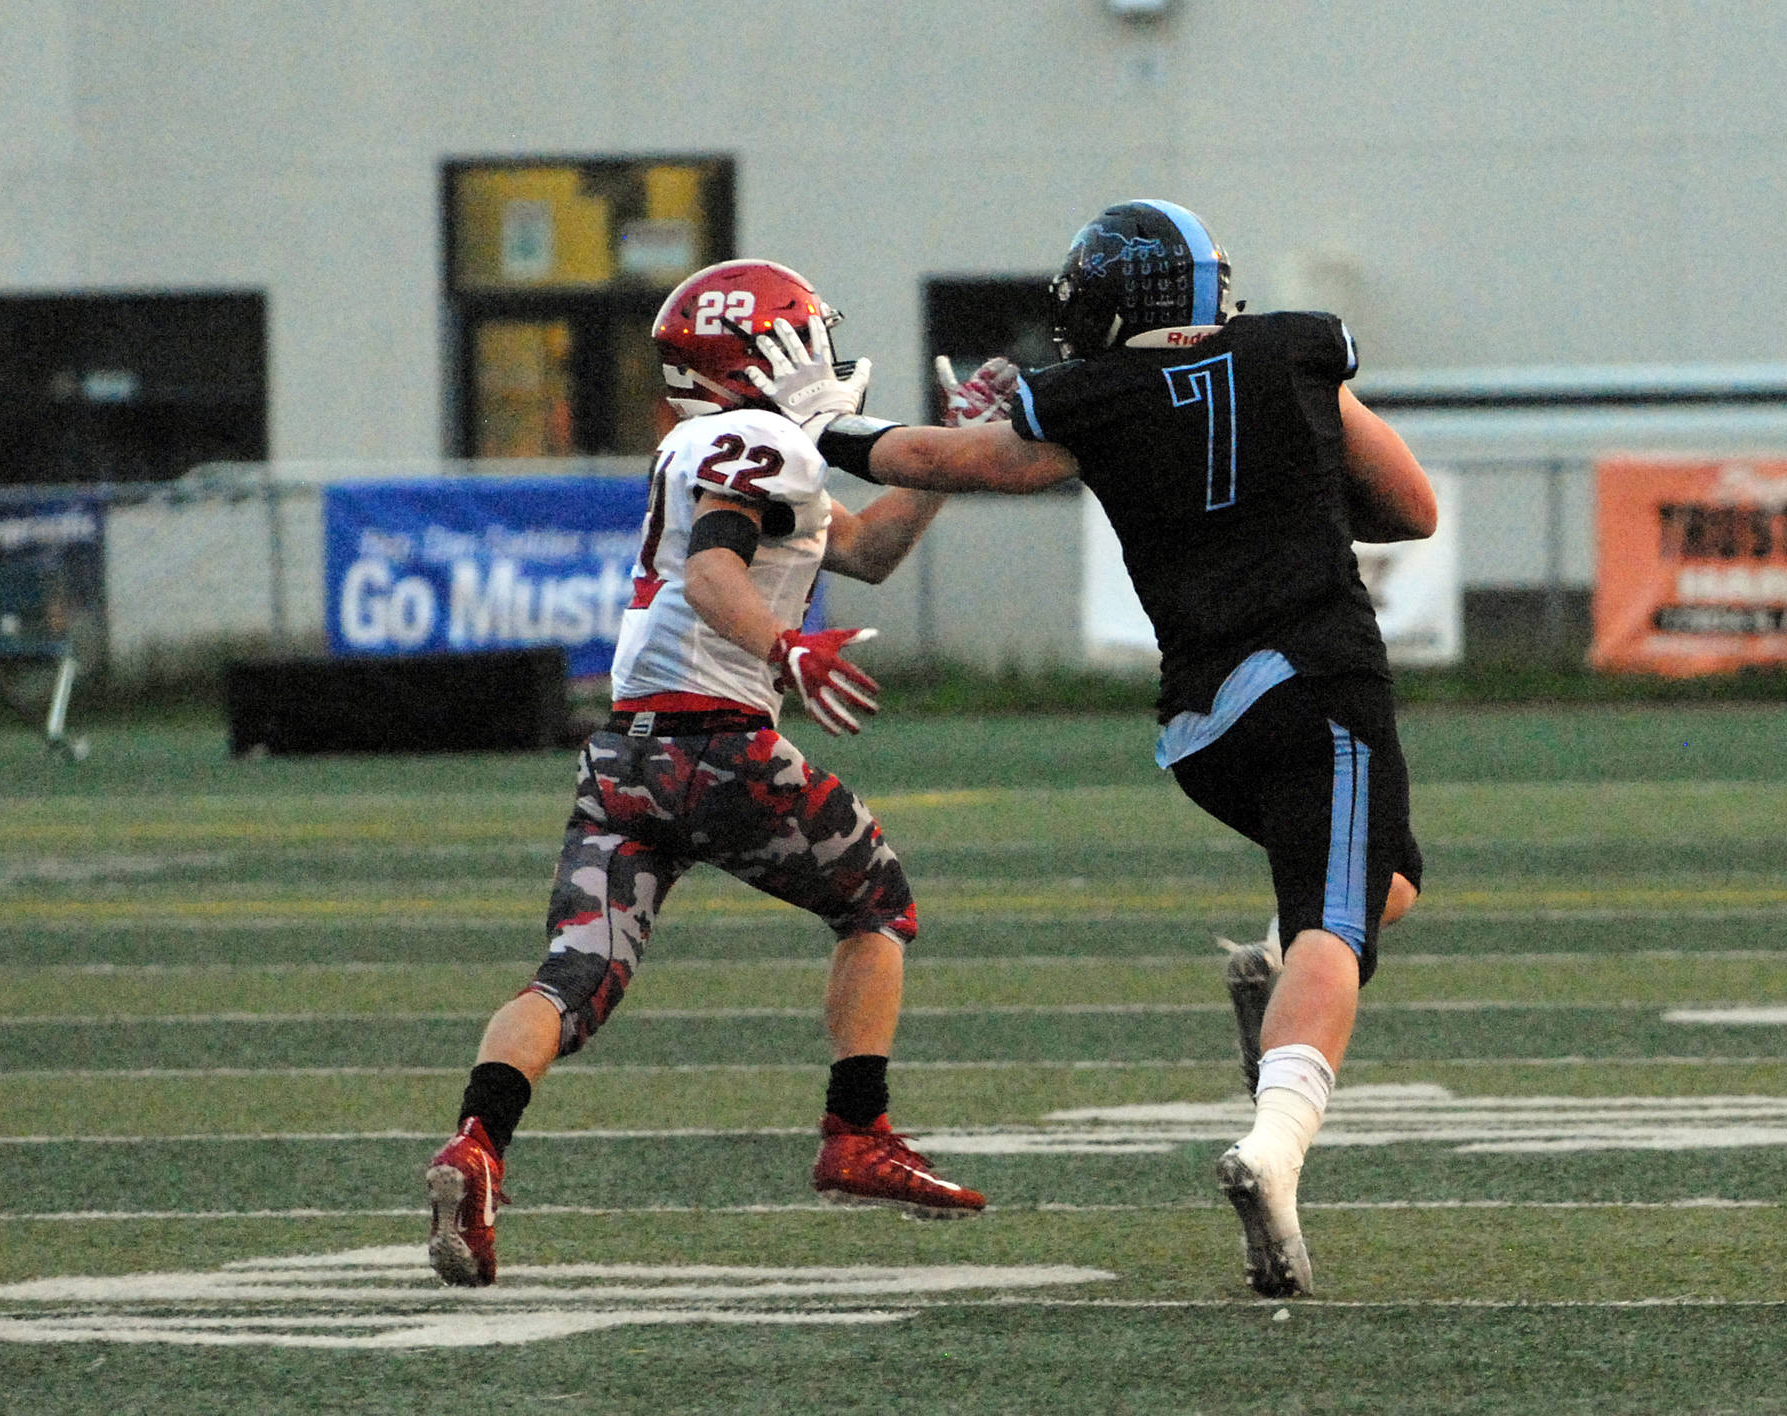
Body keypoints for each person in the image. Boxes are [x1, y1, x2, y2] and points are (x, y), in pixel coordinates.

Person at [750, 200, 1436, 1299]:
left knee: (1382, 877)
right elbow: (1410, 509)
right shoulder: (1295, 349)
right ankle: (1274, 1148)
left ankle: (1265, 968)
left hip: (1201, 729)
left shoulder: (1093, 398)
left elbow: (948, 459)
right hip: (1316, 681)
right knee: (1338, 921)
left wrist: (802, 427)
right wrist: (1287, 483)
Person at [423, 258, 986, 1289]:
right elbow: (713, 567)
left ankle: (476, 1144)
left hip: (624, 754)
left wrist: (943, 459)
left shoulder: (702, 441)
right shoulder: (763, 439)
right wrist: (786, 647)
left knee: (572, 977)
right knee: (876, 902)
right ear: (766, 347)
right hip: (716, 743)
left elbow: (860, 552)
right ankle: (854, 1131)